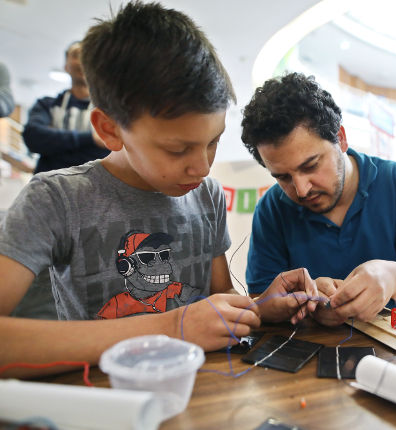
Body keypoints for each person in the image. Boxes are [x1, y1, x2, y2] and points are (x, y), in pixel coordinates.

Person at [0, 1, 317, 378]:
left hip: (202, 396)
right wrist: (171, 328)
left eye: (213, 141)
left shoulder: (206, 195)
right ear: (110, 130)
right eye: (177, 149)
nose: (202, 167)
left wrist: (261, 307)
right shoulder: (55, 200)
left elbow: (217, 300)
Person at [241, 72, 396, 326]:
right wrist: (305, 303)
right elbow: (261, 303)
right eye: (283, 177)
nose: (301, 189)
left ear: (340, 138)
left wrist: (393, 277)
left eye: (311, 166)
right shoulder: (271, 209)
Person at [21, 41, 110, 173]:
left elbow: (113, 149)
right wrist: (91, 139)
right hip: (48, 189)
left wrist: (55, 145)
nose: (82, 60)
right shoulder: (46, 105)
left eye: (88, 55)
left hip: (96, 189)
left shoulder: (110, 110)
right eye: (76, 55)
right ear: (66, 66)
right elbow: (33, 138)